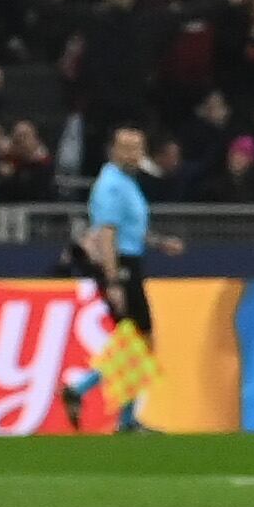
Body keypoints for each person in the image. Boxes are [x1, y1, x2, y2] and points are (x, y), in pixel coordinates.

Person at [58, 122, 164, 430]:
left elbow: (130, 227)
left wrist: (158, 242)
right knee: (140, 340)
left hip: (130, 261)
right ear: (113, 150)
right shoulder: (111, 184)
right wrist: (114, 280)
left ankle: (120, 414)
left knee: (134, 341)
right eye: (128, 148)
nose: (134, 154)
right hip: (121, 266)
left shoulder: (127, 182)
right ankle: (86, 393)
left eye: (138, 148)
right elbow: (106, 234)